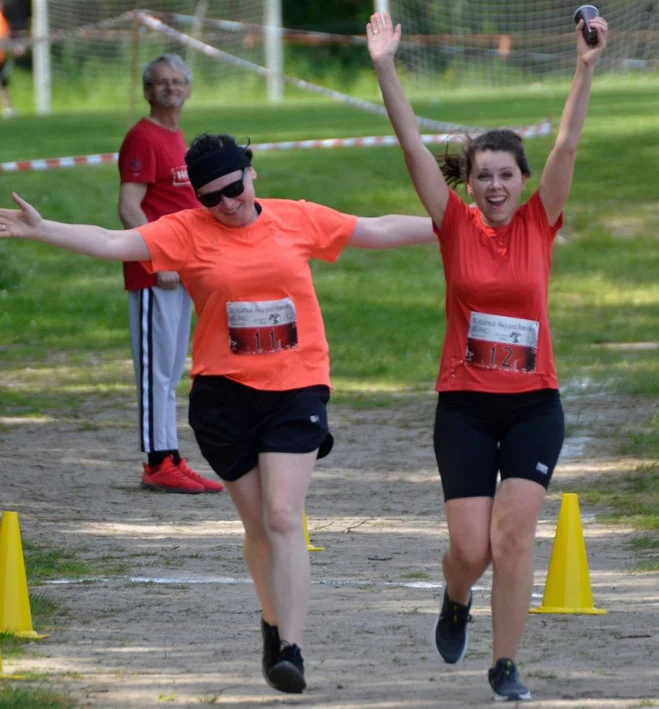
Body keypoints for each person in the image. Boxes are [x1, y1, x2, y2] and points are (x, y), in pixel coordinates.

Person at [0, 122, 439, 693]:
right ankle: (272, 620)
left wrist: (453, 227)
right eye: (211, 197)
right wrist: (43, 230)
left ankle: (293, 649)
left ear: (252, 171)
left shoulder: (294, 218)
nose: (228, 204)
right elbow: (114, 243)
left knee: (284, 515)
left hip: (296, 385)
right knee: (258, 527)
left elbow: (375, 229)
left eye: (236, 188)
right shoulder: (186, 231)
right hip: (224, 396)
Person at [368, 12, 599, 700]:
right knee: (470, 549)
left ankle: (504, 663)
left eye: (506, 174)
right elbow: (410, 144)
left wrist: (584, 68)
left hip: (533, 406)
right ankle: (455, 592)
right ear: (466, 183)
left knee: (513, 537)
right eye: (483, 176)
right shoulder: (452, 224)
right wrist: (385, 65)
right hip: (465, 407)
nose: (495, 186)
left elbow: (567, 141)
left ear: (524, 180)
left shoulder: (540, 219)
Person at [115, 54, 222, 495]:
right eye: (162, 82)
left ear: (189, 89)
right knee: (156, 371)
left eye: (178, 81)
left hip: (184, 273)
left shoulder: (178, 139)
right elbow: (128, 207)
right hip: (157, 276)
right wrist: (158, 260)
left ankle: (171, 453)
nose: (172, 88)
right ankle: (157, 461)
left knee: (173, 369)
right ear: (147, 91)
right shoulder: (143, 138)